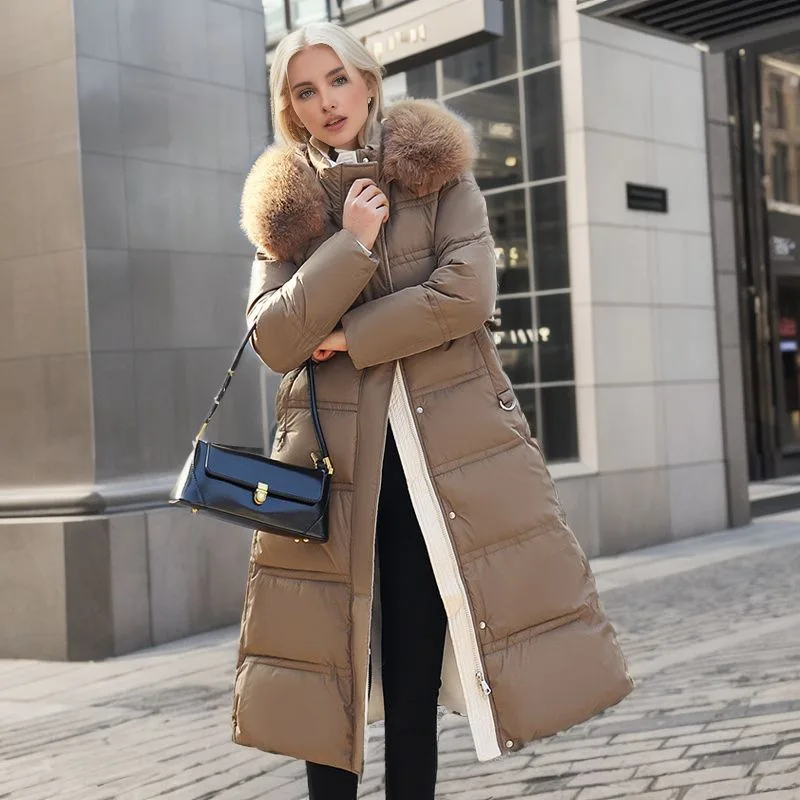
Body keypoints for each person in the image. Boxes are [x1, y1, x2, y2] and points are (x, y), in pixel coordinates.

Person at [232, 20, 633, 800]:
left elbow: (466, 296)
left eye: (337, 80)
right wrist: (350, 243)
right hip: (330, 471)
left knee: (413, 680)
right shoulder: (285, 203)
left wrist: (345, 335)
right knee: (330, 681)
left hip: (432, 466)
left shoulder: (435, 173)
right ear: (289, 106)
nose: (326, 102)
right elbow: (276, 338)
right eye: (304, 91)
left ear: (369, 79)